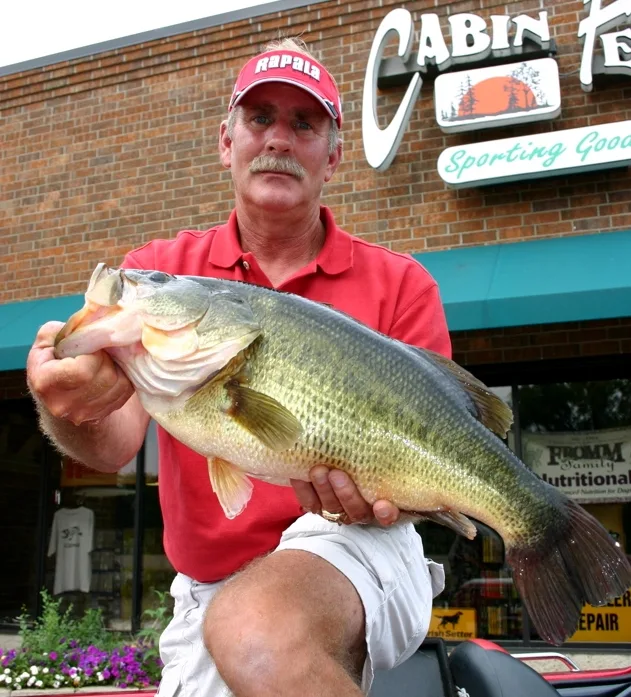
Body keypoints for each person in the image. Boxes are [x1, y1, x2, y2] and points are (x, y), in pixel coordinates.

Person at [27, 38, 451, 697]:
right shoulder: (167, 273)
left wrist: (373, 499)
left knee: (254, 630)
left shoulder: (401, 286)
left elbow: (434, 454)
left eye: (303, 123)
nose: (279, 138)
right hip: (207, 586)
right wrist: (66, 403)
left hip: (368, 544)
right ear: (227, 141)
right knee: (239, 625)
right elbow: (109, 445)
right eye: (260, 119)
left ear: (333, 156)